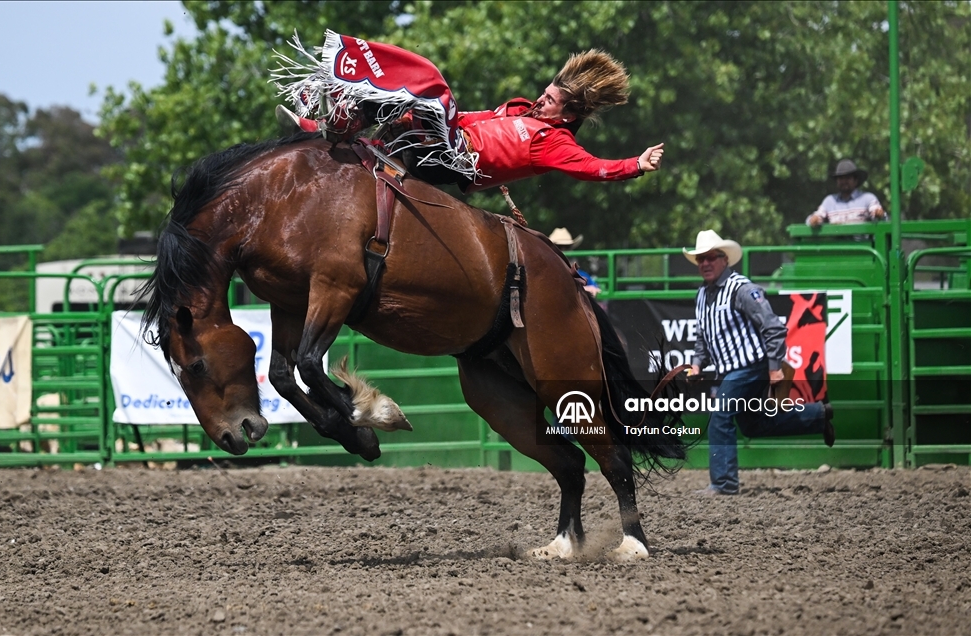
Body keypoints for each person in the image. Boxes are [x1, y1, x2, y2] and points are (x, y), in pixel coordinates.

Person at [273, 30, 663, 193]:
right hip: (448, 142)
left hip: (457, 161)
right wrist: (419, 118)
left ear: (566, 116)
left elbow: (592, 167)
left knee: (428, 80)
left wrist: (635, 164)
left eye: (550, 100)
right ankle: (323, 124)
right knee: (408, 98)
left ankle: (338, 121)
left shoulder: (554, 143)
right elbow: (470, 120)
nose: (541, 99)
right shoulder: (521, 111)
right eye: (545, 93)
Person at [684, 230, 835, 496]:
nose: (705, 263)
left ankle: (724, 483)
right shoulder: (702, 295)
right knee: (753, 424)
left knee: (720, 415)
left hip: (750, 366)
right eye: (700, 259)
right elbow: (702, 336)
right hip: (732, 370)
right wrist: (697, 364)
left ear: (724, 260)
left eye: (710, 258)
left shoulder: (741, 289)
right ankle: (818, 415)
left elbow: (773, 327)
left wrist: (775, 367)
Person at [806, 159, 887, 226]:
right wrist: (814, 219)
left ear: (855, 181)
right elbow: (815, 217)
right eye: (841, 178)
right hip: (837, 245)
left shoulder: (867, 198)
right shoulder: (829, 201)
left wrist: (878, 213)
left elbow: (878, 213)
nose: (844, 181)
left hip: (862, 244)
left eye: (848, 178)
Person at [549, 228, 600, 297]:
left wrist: (593, 288)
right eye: (558, 247)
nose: (563, 251)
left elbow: (595, 287)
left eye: (567, 247)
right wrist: (584, 289)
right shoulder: (546, 273)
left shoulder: (581, 274)